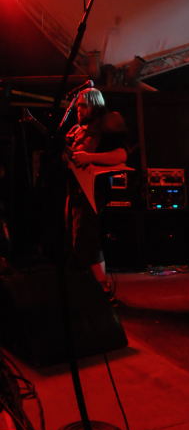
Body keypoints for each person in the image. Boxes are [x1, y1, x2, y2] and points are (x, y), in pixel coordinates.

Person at [64, 86, 128, 298]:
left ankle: (103, 288)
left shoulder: (105, 126)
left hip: (93, 190)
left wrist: (89, 157)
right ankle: (90, 287)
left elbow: (121, 155)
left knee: (87, 237)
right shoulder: (76, 130)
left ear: (95, 106)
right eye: (77, 106)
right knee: (77, 237)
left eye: (83, 106)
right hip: (75, 190)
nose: (79, 110)